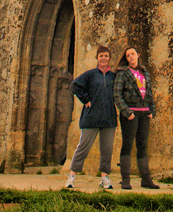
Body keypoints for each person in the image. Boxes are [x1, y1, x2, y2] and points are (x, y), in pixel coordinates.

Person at [65, 45, 117, 190]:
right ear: (97, 58)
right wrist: (85, 99)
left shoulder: (113, 77)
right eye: (101, 56)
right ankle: (72, 176)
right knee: (83, 147)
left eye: (106, 56)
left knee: (106, 150)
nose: (103, 58)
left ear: (109, 58)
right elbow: (75, 85)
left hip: (108, 117)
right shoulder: (90, 74)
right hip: (91, 116)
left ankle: (104, 177)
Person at [113, 46, 159, 189]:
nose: (131, 57)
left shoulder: (144, 72)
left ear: (138, 55)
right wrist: (127, 112)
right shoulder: (122, 74)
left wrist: (152, 110)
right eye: (128, 55)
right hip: (131, 114)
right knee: (127, 145)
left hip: (144, 114)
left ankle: (146, 179)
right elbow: (117, 95)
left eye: (133, 54)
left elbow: (149, 93)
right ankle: (126, 180)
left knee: (142, 146)